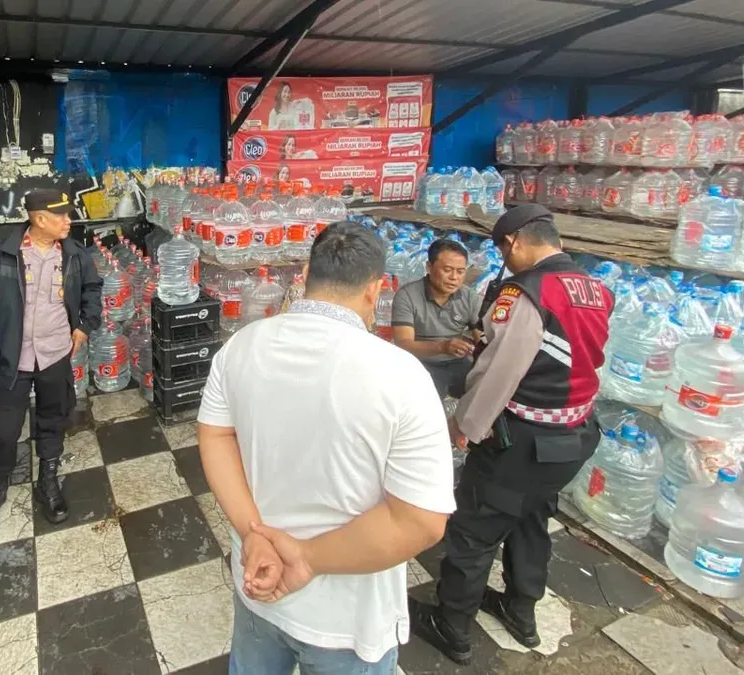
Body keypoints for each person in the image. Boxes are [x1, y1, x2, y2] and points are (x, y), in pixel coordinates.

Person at [197, 222, 455, 674]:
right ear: (375, 290)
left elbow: (215, 436)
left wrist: (253, 533)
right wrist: (306, 559)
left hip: (257, 581)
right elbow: (420, 521)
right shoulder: (402, 376)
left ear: (304, 275)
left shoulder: (241, 346)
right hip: (346, 623)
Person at [409, 204, 612, 665]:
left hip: (523, 440)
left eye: (503, 252)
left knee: (474, 530)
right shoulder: (594, 287)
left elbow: (498, 372)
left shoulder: (527, 293)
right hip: (574, 434)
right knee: (530, 520)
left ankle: (452, 625)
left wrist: (463, 425)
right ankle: (520, 610)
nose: (505, 261)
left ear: (515, 242)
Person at [0, 188, 102, 530]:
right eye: (61, 216)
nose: (68, 221)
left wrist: (84, 326)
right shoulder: (1, 255)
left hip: (55, 353)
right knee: (3, 428)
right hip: (12, 358)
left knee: (53, 417)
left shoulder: (74, 254)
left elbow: (92, 288)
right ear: (40, 219)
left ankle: (48, 480)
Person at [392, 239, 482, 398]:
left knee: (483, 391)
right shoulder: (407, 296)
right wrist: (442, 347)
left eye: (460, 271)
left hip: (457, 362)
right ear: (429, 267)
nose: (454, 277)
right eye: (447, 270)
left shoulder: (470, 298)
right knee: (426, 399)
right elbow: (403, 345)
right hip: (420, 362)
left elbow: (482, 338)